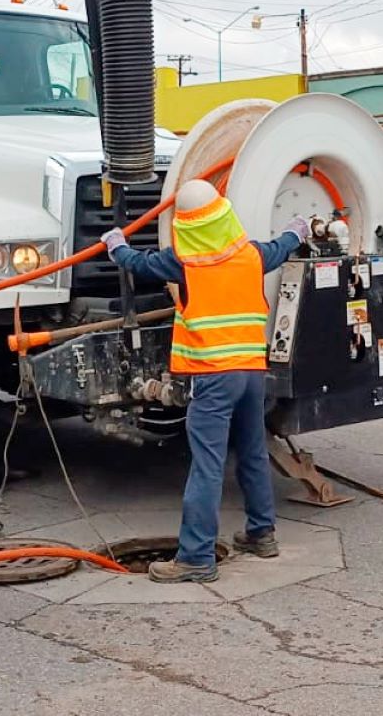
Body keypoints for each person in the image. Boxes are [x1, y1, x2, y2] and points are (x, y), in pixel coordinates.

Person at [102, 180, 308, 583]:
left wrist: (115, 246)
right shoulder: (250, 255)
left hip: (214, 376)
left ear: (187, 224)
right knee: (251, 451)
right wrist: (296, 231)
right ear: (222, 214)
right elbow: (281, 247)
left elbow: (138, 264)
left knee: (208, 465)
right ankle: (261, 534)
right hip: (252, 371)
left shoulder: (183, 263)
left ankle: (196, 557)